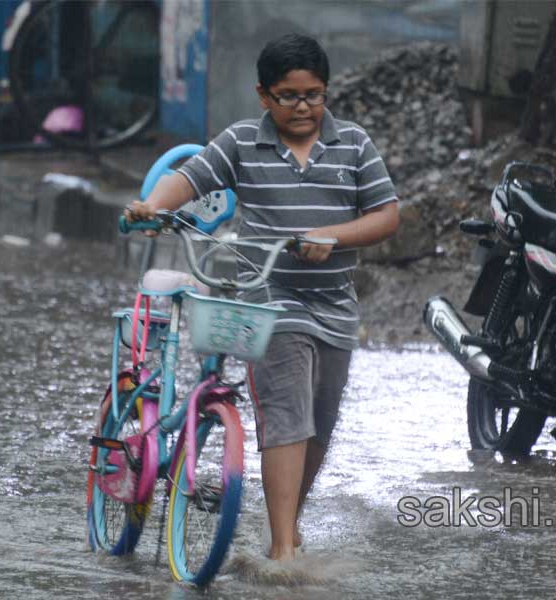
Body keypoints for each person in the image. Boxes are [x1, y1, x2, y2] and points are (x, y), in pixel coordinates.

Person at [125, 33, 399, 561]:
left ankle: (288, 525)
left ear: (326, 92)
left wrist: (333, 237)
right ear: (263, 96)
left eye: (314, 95)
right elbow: (190, 178)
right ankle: (282, 554)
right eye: (289, 96)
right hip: (270, 300)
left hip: (337, 304)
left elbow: (386, 216)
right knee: (288, 414)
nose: (303, 107)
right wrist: (152, 205)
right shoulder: (241, 142)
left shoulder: (355, 144)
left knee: (320, 423)